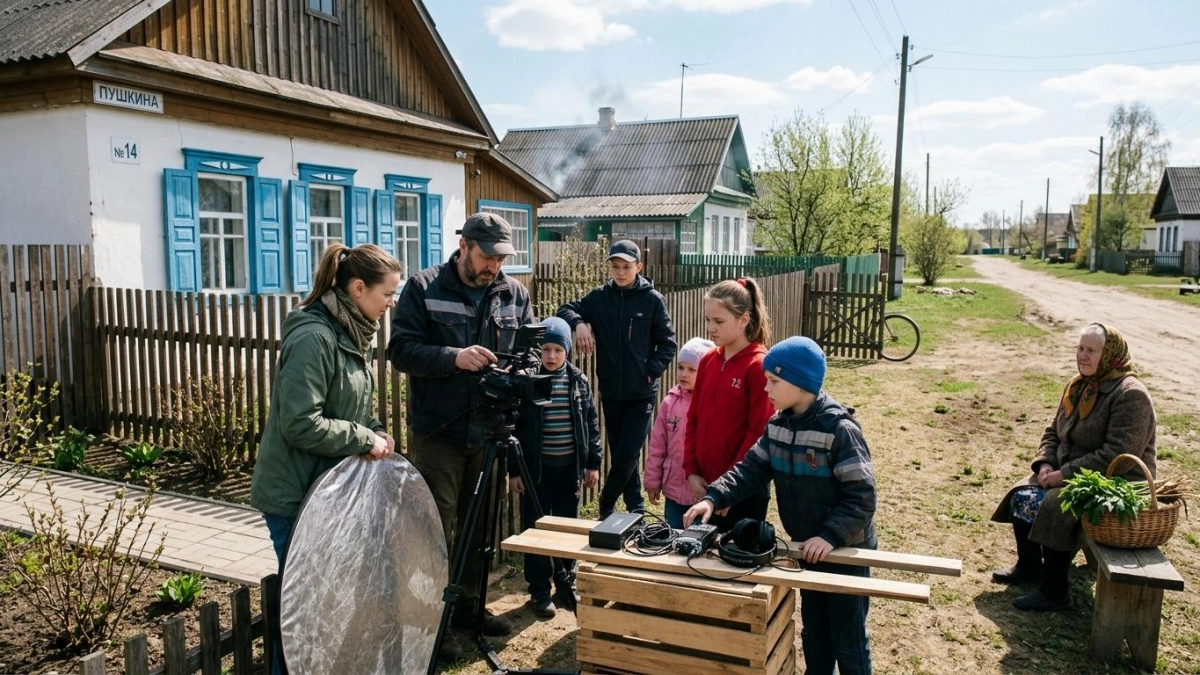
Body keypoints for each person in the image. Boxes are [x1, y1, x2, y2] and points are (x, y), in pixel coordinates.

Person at [250, 243, 400, 675]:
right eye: (387, 294)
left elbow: (349, 406)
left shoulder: (350, 330)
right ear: (357, 288)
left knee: (327, 605)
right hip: (295, 495)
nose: (392, 304)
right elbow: (299, 422)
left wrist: (375, 429)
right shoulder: (314, 336)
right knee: (305, 613)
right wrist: (361, 437)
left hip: (328, 492)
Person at [685, 336, 876, 675]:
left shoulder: (839, 429)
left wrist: (830, 536)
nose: (765, 388)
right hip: (807, 550)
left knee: (847, 639)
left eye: (773, 381)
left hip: (845, 549)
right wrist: (712, 499)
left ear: (801, 383)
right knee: (815, 633)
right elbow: (749, 471)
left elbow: (862, 497)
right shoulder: (777, 426)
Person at [387, 213, 534, 654]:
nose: (494, 266)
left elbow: (527, 350)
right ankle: (433, 620)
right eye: (487, 256)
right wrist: (454, 357)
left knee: (479, 529)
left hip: (489, 433)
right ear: (465, 245)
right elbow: (401, 351)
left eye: (501, 258)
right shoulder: (424, 287)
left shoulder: (514, 292)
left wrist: (518, 370)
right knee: (435, 531)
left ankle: (471, 607)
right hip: (440, 435)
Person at [991, 323, 1157, 612]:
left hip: (1115, 483)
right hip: (1071, 472)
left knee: (1057, 505)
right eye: (1080, 348)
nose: (1083, 355)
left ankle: (1055, 590)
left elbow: (1118, 454)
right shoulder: (1078, 385)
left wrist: (1063, 475)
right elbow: (1053, 430)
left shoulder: (1131, 394)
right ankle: (1030, 566)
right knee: (1023, 493)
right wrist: (1045, 463)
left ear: (1110, 355)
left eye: (1092, 350)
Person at [556, 240, 677, 519]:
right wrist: (580, 323)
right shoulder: (599, 298)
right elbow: (566, 308)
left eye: (626, 267)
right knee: (625, 456)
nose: (620, 272)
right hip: (611, 392)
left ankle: (607, 500)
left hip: (641, 393)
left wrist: (648, 372)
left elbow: (668, 344)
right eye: (615, 266)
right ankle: (635, 507)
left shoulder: (652, 300)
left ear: (639, 267)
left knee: (625, 456)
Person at [508, 317, 601, 618]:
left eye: (557, 350)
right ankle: (538, 589)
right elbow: (515, 429)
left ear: (568, 352)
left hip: (568, 470)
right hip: (537, 471)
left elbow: (591, 423)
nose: (551, 356)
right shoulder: (529, 381)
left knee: (567, 528)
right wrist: (515, 470)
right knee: (536, 528)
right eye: (545, 349)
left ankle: (565, 580)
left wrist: (592, 463)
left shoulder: (577, 381)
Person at [683, 278, 776, 532]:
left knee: (734, 564)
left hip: (742, 491)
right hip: (704, 486)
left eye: (719, 321)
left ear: (743, 320)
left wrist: (728, 490)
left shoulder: (758, 366)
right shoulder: (708, 360)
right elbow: (693, 420)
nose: (711, 328)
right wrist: (691, 472)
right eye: (708, 320)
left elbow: (758, 435)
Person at [645, 337, 714, 529]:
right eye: (681, 367)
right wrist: (652, 480)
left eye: (692, 370)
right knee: (673, 537)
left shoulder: (710, 404)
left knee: (701, 540)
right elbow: (658, 445)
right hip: (673, 490)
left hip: (703, 492)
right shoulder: (669, 403)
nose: (684, 374)